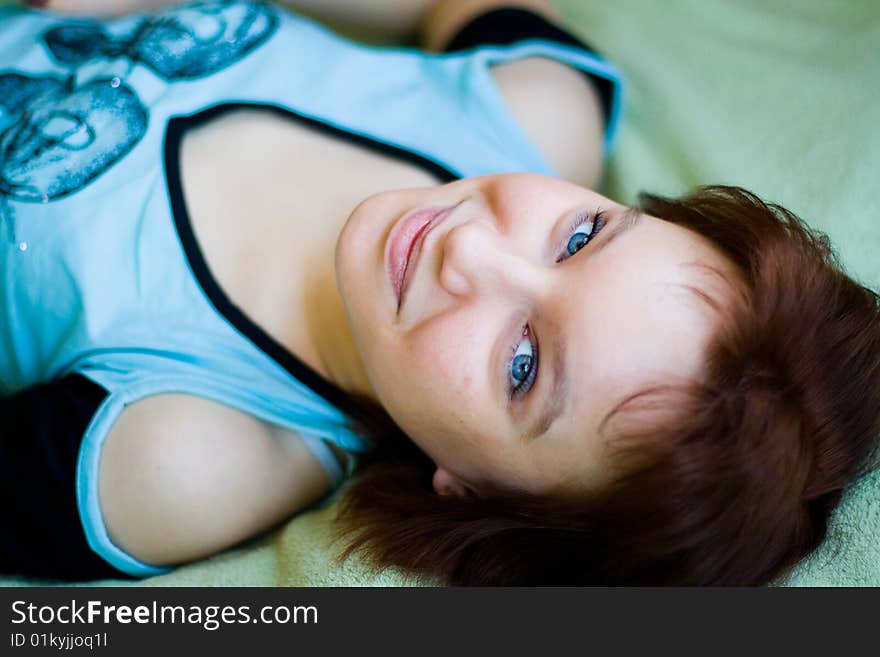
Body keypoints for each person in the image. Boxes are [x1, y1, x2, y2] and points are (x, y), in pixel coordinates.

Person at [2, 0, 879, 585]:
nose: (471, 248)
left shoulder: (191, 452)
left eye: (525, 363)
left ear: (468, 489)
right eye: (582, 237)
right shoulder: (534, 109)